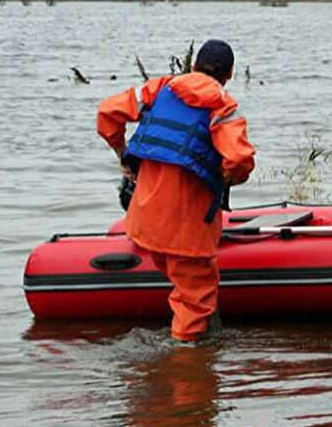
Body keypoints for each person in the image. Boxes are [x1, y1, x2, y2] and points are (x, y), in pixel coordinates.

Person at [97, 39, 255, 342]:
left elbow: (107, 112)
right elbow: (239, 160)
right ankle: (188, 373)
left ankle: (189, 353)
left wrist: (121, 152)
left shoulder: (159, 89)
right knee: (194, 302)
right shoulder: (221, 107)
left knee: (187, 289)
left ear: (193, 65)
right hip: (187, 231)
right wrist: (228, 178)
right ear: (230, 74)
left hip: (145, 223)